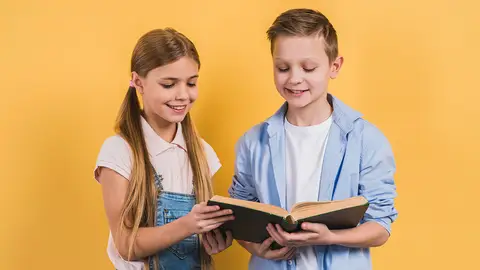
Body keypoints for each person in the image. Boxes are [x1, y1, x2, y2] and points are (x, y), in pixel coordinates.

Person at [228, 8, 398, 270]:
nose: (295, 78)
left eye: (308, 67)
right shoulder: (252, 142)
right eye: (282, 68)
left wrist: (330, 237)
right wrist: (257, 248)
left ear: (334, 66)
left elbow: (381, 225)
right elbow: (240, 221)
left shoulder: (366, 140)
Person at [94, 28, 233, 270]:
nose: (182, 95)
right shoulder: (119, 152)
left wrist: (213, 240)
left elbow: (197, 242)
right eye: (169, 84)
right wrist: (188, 225)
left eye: (191, 83)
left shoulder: (202, 154)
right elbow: (126, 245)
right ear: (138, 82)